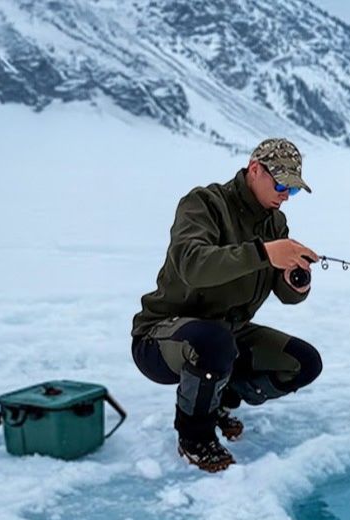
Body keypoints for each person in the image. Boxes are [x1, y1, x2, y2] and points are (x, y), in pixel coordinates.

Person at [131, 138, 322, 472]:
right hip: (161, 337)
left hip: (228, 334)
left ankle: (215, 399)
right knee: (214, 342)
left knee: (303, 363)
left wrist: (297, 280)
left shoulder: (275, 224)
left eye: (290, 191)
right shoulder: (204, 204)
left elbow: (285, 294)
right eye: (279, 184)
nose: (283, 195)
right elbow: (191, 264)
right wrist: (264, 253)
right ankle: (194, 436)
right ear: (254, 170)